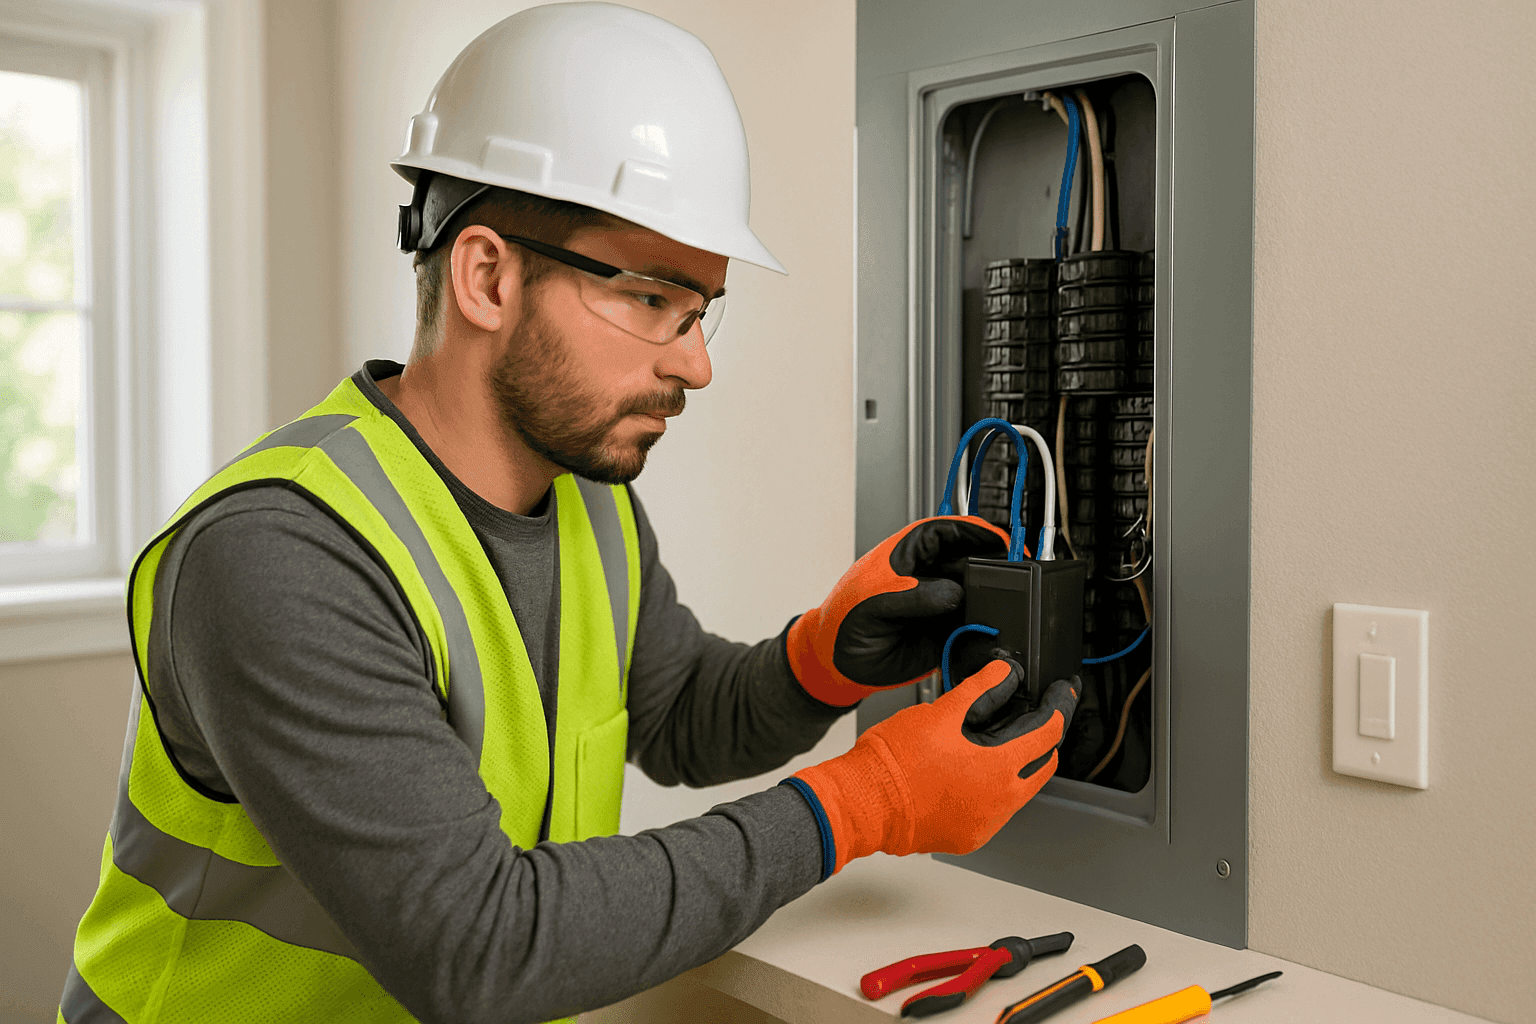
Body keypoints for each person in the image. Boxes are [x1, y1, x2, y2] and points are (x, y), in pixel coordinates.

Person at [58, 5, 1078, 1023]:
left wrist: (821, 657)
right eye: (649, 301)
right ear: (489, 276)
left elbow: (677, 714)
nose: (697, 362)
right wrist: (867, 802)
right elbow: (481, 946)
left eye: (700, 312)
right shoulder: (281, 555)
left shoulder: (589, 504)